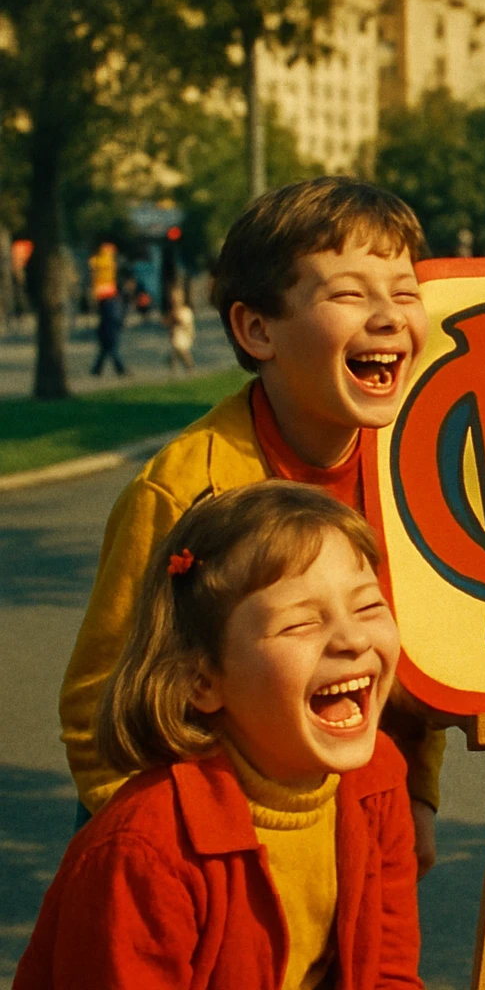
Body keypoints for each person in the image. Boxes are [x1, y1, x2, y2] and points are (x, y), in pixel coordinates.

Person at [59, 176, 446, 877]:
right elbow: (100, 706)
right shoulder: (183, 492)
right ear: (256, 329)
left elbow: (413, 662)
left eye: (406, 290)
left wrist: (417, 791)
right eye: (350, 294)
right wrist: (170, 855)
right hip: (200, 850)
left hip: (348, 830)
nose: (390, 316)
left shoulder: (418, 480)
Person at [16, 482, 424, 989]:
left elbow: (387, 974)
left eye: (367, 607)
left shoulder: (376, 777)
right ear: (203, 680)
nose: (353, 638)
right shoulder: (145, 853)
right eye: (300, 624)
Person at [163, 279, 196, 372]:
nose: (175, 300)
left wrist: (177, 318)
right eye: (173, 298)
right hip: (176, 334)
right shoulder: (172, 311)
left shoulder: (185, 311)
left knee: (181, 350)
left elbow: (185, 322)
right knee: (177, 350)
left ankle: (189, 365)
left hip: (184, 334)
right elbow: (168, 322)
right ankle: (173, 365)